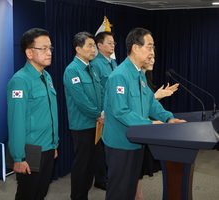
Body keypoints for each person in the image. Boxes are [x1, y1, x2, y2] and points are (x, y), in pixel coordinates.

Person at [102, 27, 186, 200]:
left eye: (153, 47)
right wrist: (150, 125)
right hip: (120, 145)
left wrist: (168, 118)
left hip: (137, 142)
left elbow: (150, 104)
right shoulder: (120, 76)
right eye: (149, 46)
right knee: (118, 191)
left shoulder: (139, 74)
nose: (152, 52)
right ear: (135, 48)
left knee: (130, 189)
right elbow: (120, 111)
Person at [7, 28, 59, 200]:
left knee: (40, 193)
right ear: (29, 52)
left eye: (50, 48)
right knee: (27, 194)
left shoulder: (46, 76)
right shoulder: (20, 81)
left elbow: (50, 115)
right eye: (43, 48)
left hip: (48, 147)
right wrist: (18, 157)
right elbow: (16, 122)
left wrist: (54, 144)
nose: (49, 52)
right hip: (30, 151)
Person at [63, 31, 104, 200]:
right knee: (81, 166)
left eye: (94, 46)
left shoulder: (92, 68)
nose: (93, 49)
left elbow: (101, 93)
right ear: (78, 49)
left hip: (96, 124)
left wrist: (103, 113)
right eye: (89, 46)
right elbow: (81, 100)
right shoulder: (72, 71)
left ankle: (84, 196)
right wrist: (97, 114)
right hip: (82, 126)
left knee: (91, 165)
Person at [135, 56, 179, 200]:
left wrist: (169, 118)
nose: (152, 58)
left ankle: (138, 195)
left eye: (154, 55)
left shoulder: (144, 77)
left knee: (139, 169)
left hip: (142, 129)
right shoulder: (126, 77)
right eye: (149, 52)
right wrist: (156, 96)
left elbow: (151, 106)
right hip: (130, 132)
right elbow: (133, 109)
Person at [90, 31, 117, 191]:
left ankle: (108, 175)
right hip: (103, 113)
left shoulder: (113, 63)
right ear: (99, 45)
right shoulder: (95, 64)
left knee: (110, 146)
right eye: (109, 42)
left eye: (114, 43)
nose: (113, 45)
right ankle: (100, 179)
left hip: (114, 111)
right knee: (100, 148)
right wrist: (101, 112)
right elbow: (97, 91)